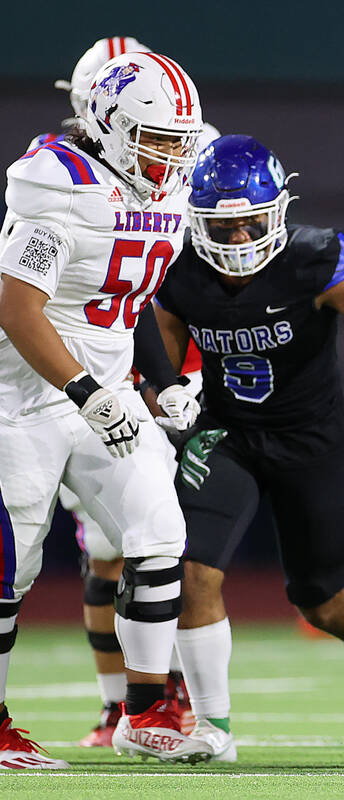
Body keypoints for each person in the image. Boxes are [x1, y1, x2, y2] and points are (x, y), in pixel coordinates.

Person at [149, 134, 344, 762]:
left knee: (321, 602)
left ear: (277, 212)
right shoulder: (179, 269)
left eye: (250, 223)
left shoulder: (312, 260)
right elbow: (155, 354)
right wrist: (166, 393)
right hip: (226, 436)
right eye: (225, 225)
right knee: (194, 573)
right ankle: (213, 727)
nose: (239, 239)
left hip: (311, 440)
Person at [0, 51, 212, 767]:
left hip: (107, 388)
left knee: (158, 533)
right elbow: (18, 310)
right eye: (157, 136)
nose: (172, 153)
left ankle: (144, 712)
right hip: (22, 395)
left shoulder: (162, 193)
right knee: (11, 567)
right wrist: (84, 392)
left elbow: (132, 297)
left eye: (179, 138)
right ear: (110, 123)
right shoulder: (59, 183)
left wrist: (163, 380)